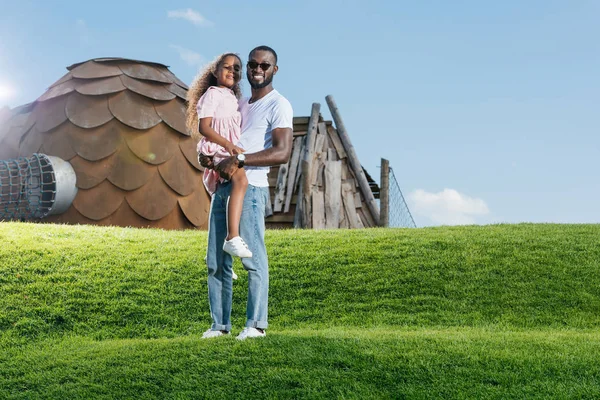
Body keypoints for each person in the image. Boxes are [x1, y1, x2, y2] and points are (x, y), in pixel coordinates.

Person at [200, 45, 293, 340]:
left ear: (274, 70)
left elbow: (282, 152)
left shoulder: (280, 105)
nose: (257, 69)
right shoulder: (238, 102)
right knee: (217, 261)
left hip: (250, 188)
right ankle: (220, 326)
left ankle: (256, 325)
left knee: (253, 260)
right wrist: (208, 157)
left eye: (264, 66)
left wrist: (239, 159)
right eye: (252, 64)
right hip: (223, 184)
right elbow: (218, 134)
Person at [186, 53, 253, 266]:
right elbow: (203, 127)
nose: (232, 71)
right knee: (241, 181)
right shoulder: (212, 94)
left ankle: (215, 256)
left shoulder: (232, 98)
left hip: (225, 149)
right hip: (218, 148)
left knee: (224, 199)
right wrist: (227, 146)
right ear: (215, 72)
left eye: (236, 68)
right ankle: (232, 238)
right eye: (227, 67)